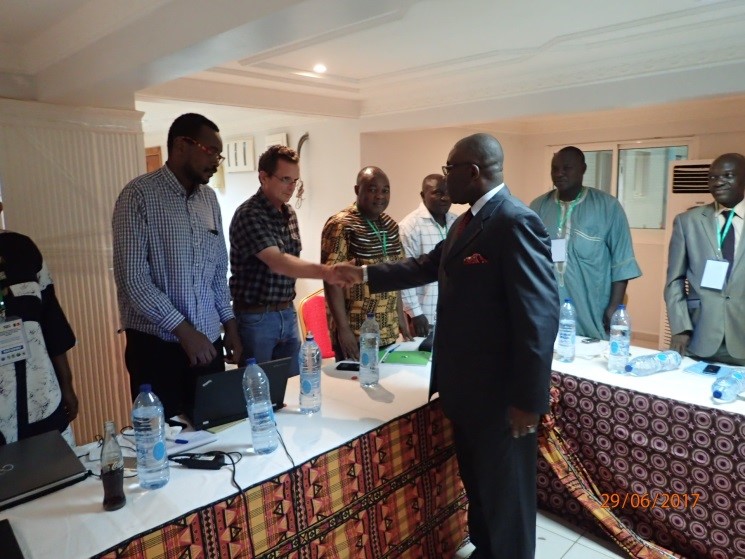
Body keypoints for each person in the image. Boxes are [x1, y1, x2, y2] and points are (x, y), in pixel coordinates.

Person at [349, 134, 558, 559]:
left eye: (449, 169)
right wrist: (362, 274)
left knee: (506, 498)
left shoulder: (514, 221)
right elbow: (426, 265)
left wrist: (528, 400)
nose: (445, 180)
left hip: (501, 397)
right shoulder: (466, 222)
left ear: (473, 172)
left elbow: (539, 317)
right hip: (466, 391)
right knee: (480, 490)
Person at [112, 113, 242, 420]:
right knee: (164, 438)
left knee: (214, 430)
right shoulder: (138, 195)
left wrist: (230, 326)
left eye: (219, 155)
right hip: (158, 348)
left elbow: (217, 272)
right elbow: (133, 280)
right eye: (211, 152)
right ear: (182, 145)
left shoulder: (209, 200)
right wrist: (184, 332)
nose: (216, 162)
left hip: (208, 344)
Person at [229, 144, 350, 373]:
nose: (292, 187)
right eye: (285, 179)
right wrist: (328, 272)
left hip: (287, 310)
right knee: (259, 388)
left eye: (295, 181)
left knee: (294, 385)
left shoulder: (289, 213)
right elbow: (278, 262)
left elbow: (290, 260)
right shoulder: (249, 214)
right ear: (263, 177)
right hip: (256, 318)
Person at [530, 146, 641, 340]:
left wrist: (613, 308)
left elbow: (622, 263)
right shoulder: (538, 207)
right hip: (547, 307)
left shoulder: (608, 207)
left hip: (593, 310)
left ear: (583, 169)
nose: (559, 173)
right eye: (555, 168)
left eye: (567, 168)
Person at [321, 166, 411, 361]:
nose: (380, 196)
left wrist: (401, 317)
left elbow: (395, 275)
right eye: (372, 189)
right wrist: (343, 330)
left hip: (388, 330)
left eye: (385, 190)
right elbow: (331, 279)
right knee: (354, 381)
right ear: (357, 190)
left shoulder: (391, 225)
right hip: (355, 333)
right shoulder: (341, 224)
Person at [664, 152, 745, 365]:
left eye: (728, 175)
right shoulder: (687, 222)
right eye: (712, 177)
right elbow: (674, 280)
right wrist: (680, 327)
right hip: (699, 334)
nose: (718, 182)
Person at [0, 231, 79, 445]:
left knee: (55, 464)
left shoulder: (22, 248)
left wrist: (67, 385)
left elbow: (52, 322)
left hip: (41, 397)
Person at [398, 174, 457, 336]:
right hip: (424, 316)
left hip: (453, 314)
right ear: (423, 195)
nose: (445, 198)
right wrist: (415, 313)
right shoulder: (409, 226)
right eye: (438, 193)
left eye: (448, 193)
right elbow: (405, 273)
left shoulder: (457, 223)